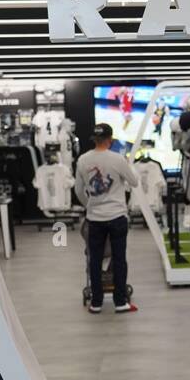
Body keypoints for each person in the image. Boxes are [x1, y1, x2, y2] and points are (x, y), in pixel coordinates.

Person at [74, 123, 139, 314]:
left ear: (94, 140)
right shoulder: (117, 159)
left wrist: (89, 205)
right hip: (117, 215)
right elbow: (134, 181)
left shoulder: (83, 160)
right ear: (110, 140)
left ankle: (96, 303)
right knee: (119, 259)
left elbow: (78, 190)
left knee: (94, 260)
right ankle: (120, 302)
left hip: (95, 218)